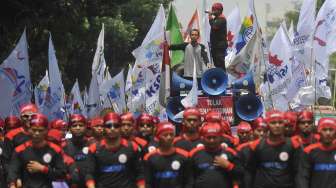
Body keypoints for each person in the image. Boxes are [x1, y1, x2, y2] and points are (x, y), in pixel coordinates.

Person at [240, 110, 301, 188]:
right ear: (267, 125)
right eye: (273, 123)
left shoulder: (293, 145)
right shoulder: (257, 146)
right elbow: (250, 171)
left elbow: (298, 173)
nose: (277, 125)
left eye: (280, 122)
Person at [85, 112, 145, 188]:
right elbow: (89, 174)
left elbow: (139, 173)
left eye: (116, 126)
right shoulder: (94, 149)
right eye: (109, 126)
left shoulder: (132, 147)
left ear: (120, 127)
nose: (112, 129)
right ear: (104, 128)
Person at [7, 113, 66, 188]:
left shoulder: (55, 150)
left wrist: (43, 169)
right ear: (29, 129)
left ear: (46, 131)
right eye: (34, 130)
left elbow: (62, 173)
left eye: (40, 130)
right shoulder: (19, 150)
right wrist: (12, 184)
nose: (37, 133)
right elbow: (12, 171)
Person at [189, 122, 243, 188]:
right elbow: (188, 179)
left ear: (221, 138)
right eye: (209, 137)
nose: (212, 140)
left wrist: (229, 166)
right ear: (203, 139)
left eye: (214, 137)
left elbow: (241, 174)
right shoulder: (194, 154)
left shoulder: (230, 153)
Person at [144, 121, 192, 188]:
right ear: (158, 137)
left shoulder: (184, 156)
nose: (169, 137)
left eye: (171, 134)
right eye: (165, 135)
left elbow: (188, 181)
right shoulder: (149, 158)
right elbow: (148, 183)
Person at [296, 118, 336, 188]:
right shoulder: (309, 151)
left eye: (331, 130)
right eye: (324, 130)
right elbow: (303, 177)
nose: (328, 133)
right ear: (319, 131)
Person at [62, 114, 89, 187]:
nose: (78, 128)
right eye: (74, 126)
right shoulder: (64, 145)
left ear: (86, 127)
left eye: (81, 125)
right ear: (69, 128)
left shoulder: (92, 144)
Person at [208, 2, 228, 71]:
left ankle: (224, 79)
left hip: (219, 46)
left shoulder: (221, 19)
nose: (212, 11)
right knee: (217, 64)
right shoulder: (216, 19)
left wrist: (210, 17)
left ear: (219, 10)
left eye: (214, 10)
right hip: (215, 46)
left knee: (220, 63)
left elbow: (214, 26)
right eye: (212, 9)